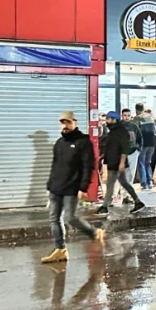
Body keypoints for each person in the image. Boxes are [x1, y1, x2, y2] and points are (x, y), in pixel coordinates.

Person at [41, 111, 105, 263]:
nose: (65, 126)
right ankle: (60, 250)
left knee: (70, 218)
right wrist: (49, 185)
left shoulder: (83, 142)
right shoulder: (59, 143)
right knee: (54, 219)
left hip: (72, 187)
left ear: (75, 123)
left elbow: (88, 166)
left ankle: (94, 232)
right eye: (63, 123)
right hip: (56, 186)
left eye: (68, 122)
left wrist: (83, 188)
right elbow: (55, 166)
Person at [98, 112, 145, 215]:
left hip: (117, 162)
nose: (107, 121)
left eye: (109, 119)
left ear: (115, 120)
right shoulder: (112, 132)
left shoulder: (121, 131)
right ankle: (137, 202)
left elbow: (124, 148)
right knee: (121, 183)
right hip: (113, 161)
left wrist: (122, 163)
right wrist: (102, 156)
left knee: (112, 183)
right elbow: (111, 147)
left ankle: (105, 206)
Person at [119, 108, 142, 196]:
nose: (126, 117)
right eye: (125, 115)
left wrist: (139, 149)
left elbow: (140, 138)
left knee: (131, 174)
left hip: (133, 152)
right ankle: (123, 193)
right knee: (122, 174)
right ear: (122, 116)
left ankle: (128, 195)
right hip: (121, 153)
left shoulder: (134, 126)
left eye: (128, 115)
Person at [134, 103, 156, 190]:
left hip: (143, 143)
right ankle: (150, 181)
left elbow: (135, 131)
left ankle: (144, 183)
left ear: (136, 110)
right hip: (152, 143)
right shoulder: (150, 117)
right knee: (148, 162)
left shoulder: (137, 118)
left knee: (141, 162)